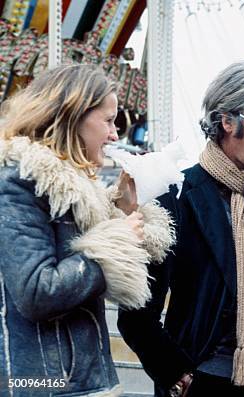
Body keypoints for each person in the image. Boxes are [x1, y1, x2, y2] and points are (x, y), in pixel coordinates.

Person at [117, 61, 244, 397]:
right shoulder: (175, 194)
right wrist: (179, 377)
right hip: (207, 382)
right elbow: (135, 311)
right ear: (227, 120)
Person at [0, 64, 175, 396]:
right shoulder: (18, 183)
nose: (114, 134)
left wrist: (121, 209)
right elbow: (37, 291)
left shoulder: (74, 189)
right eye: (108, 120)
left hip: (81, 380)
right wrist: (117, 242)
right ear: (71, 116)